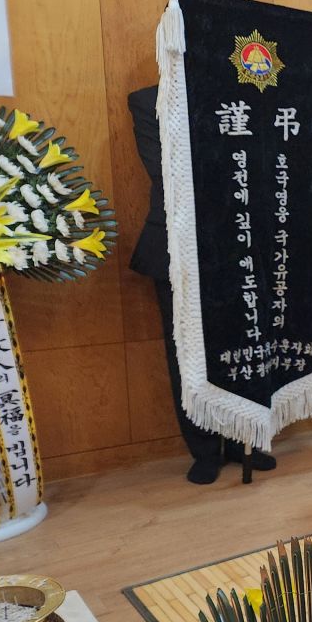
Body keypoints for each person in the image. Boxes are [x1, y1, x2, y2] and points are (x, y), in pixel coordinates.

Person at [128, 86, 278, 484]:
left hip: (238, 245)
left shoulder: (239, 96)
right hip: (178, 248)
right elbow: (167, 172)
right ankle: (205, 448)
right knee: (186, 354)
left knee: (239, 346)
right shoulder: (146, 101)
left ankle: (242, 440)